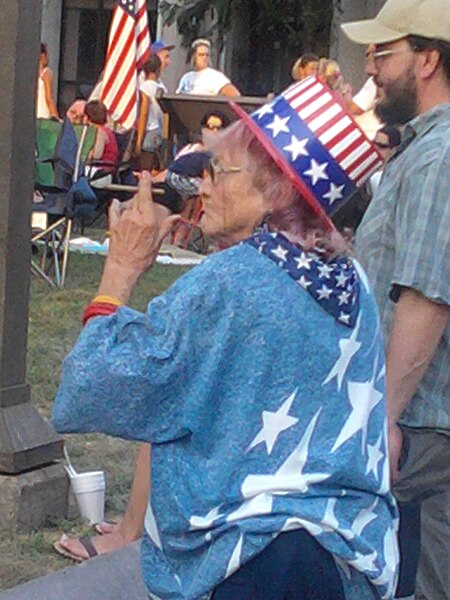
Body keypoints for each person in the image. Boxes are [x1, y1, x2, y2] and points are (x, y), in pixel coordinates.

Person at [53, 77, 398, 599]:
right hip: (343, 560)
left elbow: (93, 388)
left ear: (274, 190)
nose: (202, 187)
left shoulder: (229, 283)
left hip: (249, 564)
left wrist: (120, 270)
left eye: (218, 171)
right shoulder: (352, 279)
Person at [342, 1, 450, 598]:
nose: (371, 65)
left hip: (422, 427)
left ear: (428, 59)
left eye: (383, 52)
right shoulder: (425, 148)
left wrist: (383, 417)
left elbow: (427, 297)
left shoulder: (440, 156)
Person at [176, 38, 240, 97]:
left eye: (207, 55)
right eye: (201, 55)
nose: (204, 58)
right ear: (194, 56)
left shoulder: (215, 76)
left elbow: (234, 94)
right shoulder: (186, 77)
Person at [135, 55, 165, 172]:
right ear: (158, 69)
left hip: (149, 130)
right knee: (156, 168)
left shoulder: (145, 88)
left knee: (144, 168)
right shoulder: (162, 88)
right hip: (160, 130)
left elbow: (144, 113)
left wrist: (138, 142)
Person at [84, 100, 119, 172]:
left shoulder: (100, 132)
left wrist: (82, 154)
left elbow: (96, 155)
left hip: (100, 172)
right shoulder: (106, 131)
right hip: (103, 171)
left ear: (88, 117)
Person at [367, 125, 401, 195]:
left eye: (381, 146)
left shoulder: (395, 176)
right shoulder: (365, 167)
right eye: (374, 143)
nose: (375, 148)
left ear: (393, 150)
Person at [36, 43, 59, 120]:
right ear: (43, 55)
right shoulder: (46, 73)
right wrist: (54, 114)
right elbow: (49, 97)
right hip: (43, 112)